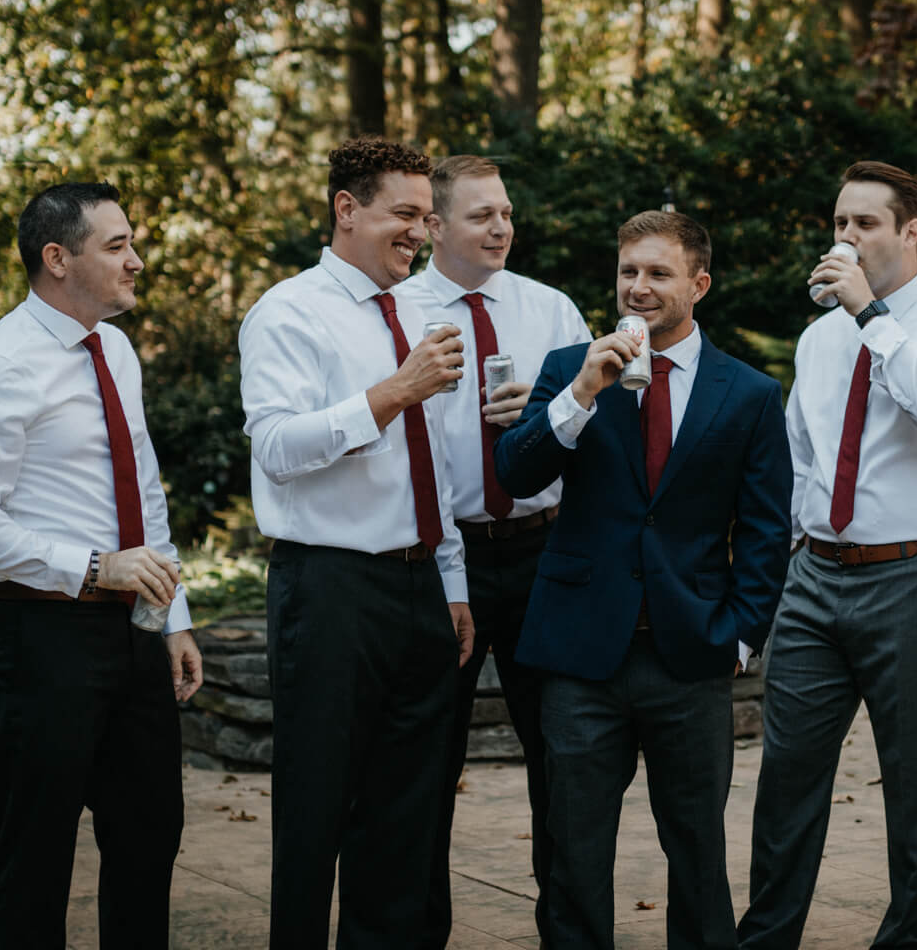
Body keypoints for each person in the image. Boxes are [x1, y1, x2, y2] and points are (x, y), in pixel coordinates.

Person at [495, 210, 792, 950]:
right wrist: (582, 395)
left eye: (658, 273)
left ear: (699, 283)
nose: (638, 287)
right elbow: (514, 474)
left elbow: (764, 530)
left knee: (697, 853)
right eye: (629, 271)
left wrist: (741, 638)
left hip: (690, 655)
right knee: (573, 853)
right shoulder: (571, 368)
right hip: (578, 657)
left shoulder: (749, 393)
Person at [0, 181, 203, 948]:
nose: (137, 260)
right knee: (36, 860)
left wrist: (170, 617)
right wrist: (92, 569)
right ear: (57, 258)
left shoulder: (115, 348)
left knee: (151, 842)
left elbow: (142, 490)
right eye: (116, 246)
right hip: (35, 642)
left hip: (133, 637)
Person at [739, 161, 917, 950]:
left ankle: (908, 940)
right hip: (816, 580)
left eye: (866, 225)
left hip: (916, 576)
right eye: (840, 223)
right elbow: (803, 460)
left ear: (910, 232)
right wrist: (785, 569)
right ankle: (766, 938)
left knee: (915, 783)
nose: (845, 238)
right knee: (786, 779)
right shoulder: (820, 340)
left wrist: (872, 315)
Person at [238, 136, 475, 948]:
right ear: (347, 209)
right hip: (329, 587)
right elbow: (276, 447)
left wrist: (452, 579)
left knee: (407, 810)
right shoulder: (287, 311)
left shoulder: (422, 310)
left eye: (426, 216)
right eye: (403, 214)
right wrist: (391, 393)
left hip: (418, 589)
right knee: (316, 806)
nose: (420, 231)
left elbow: (436, 463)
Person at [394, 155, 591, 949]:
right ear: (436, 225)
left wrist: (546, 422)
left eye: (506, 212)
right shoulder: (396, 312)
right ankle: (419, 934)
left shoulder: (551, 311)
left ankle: (569, 934)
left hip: (545, 554)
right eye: (482, 216)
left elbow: (603, 426)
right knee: (424, 767)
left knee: (564, 759)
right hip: (444, 563)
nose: (502, 227)